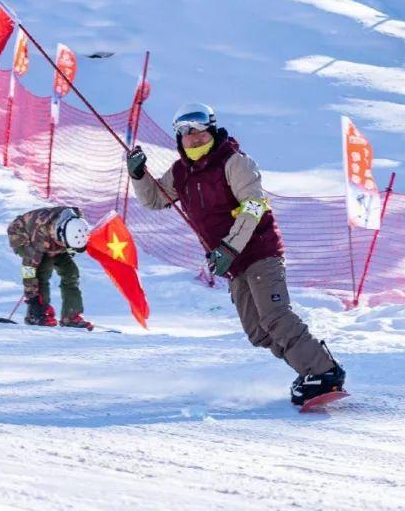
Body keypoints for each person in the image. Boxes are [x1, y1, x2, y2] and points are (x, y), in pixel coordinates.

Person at [126, 103, 345, 405]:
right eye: (186, 134)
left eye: (200, 132)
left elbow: (254, 205)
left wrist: (229, 247)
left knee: (276, 317)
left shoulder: (234, 162)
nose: (194, 139)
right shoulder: (181, 172)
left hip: (258, 251)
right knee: (258, 331)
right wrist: (138, 175)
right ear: (179, 138)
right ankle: (309, 369)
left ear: (212, 131)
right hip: (232, 263)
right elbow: (154, 200)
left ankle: (324, 371)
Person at [7, 206, 94, 329]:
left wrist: (69, 248)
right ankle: (38, 314)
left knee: (71, 273)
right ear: (61, 235)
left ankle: (71, 316)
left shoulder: (77, 222)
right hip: (22, 235)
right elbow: (28, 269)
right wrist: (32, 297)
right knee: (43, 271)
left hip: (52, 240)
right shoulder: (40, 237)